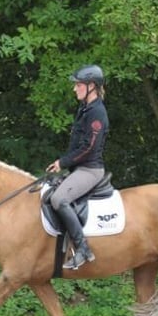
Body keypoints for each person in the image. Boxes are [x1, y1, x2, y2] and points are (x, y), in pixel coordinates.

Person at [46, 64, 109, 270]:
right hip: (79, 169)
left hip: (90, 170)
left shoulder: (97, 112)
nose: (75, 89)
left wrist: (62, 162)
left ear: (92, 86)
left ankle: (83, 249)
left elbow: (89, 148)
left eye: (79, 85)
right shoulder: (85, 109)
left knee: (59, 199)